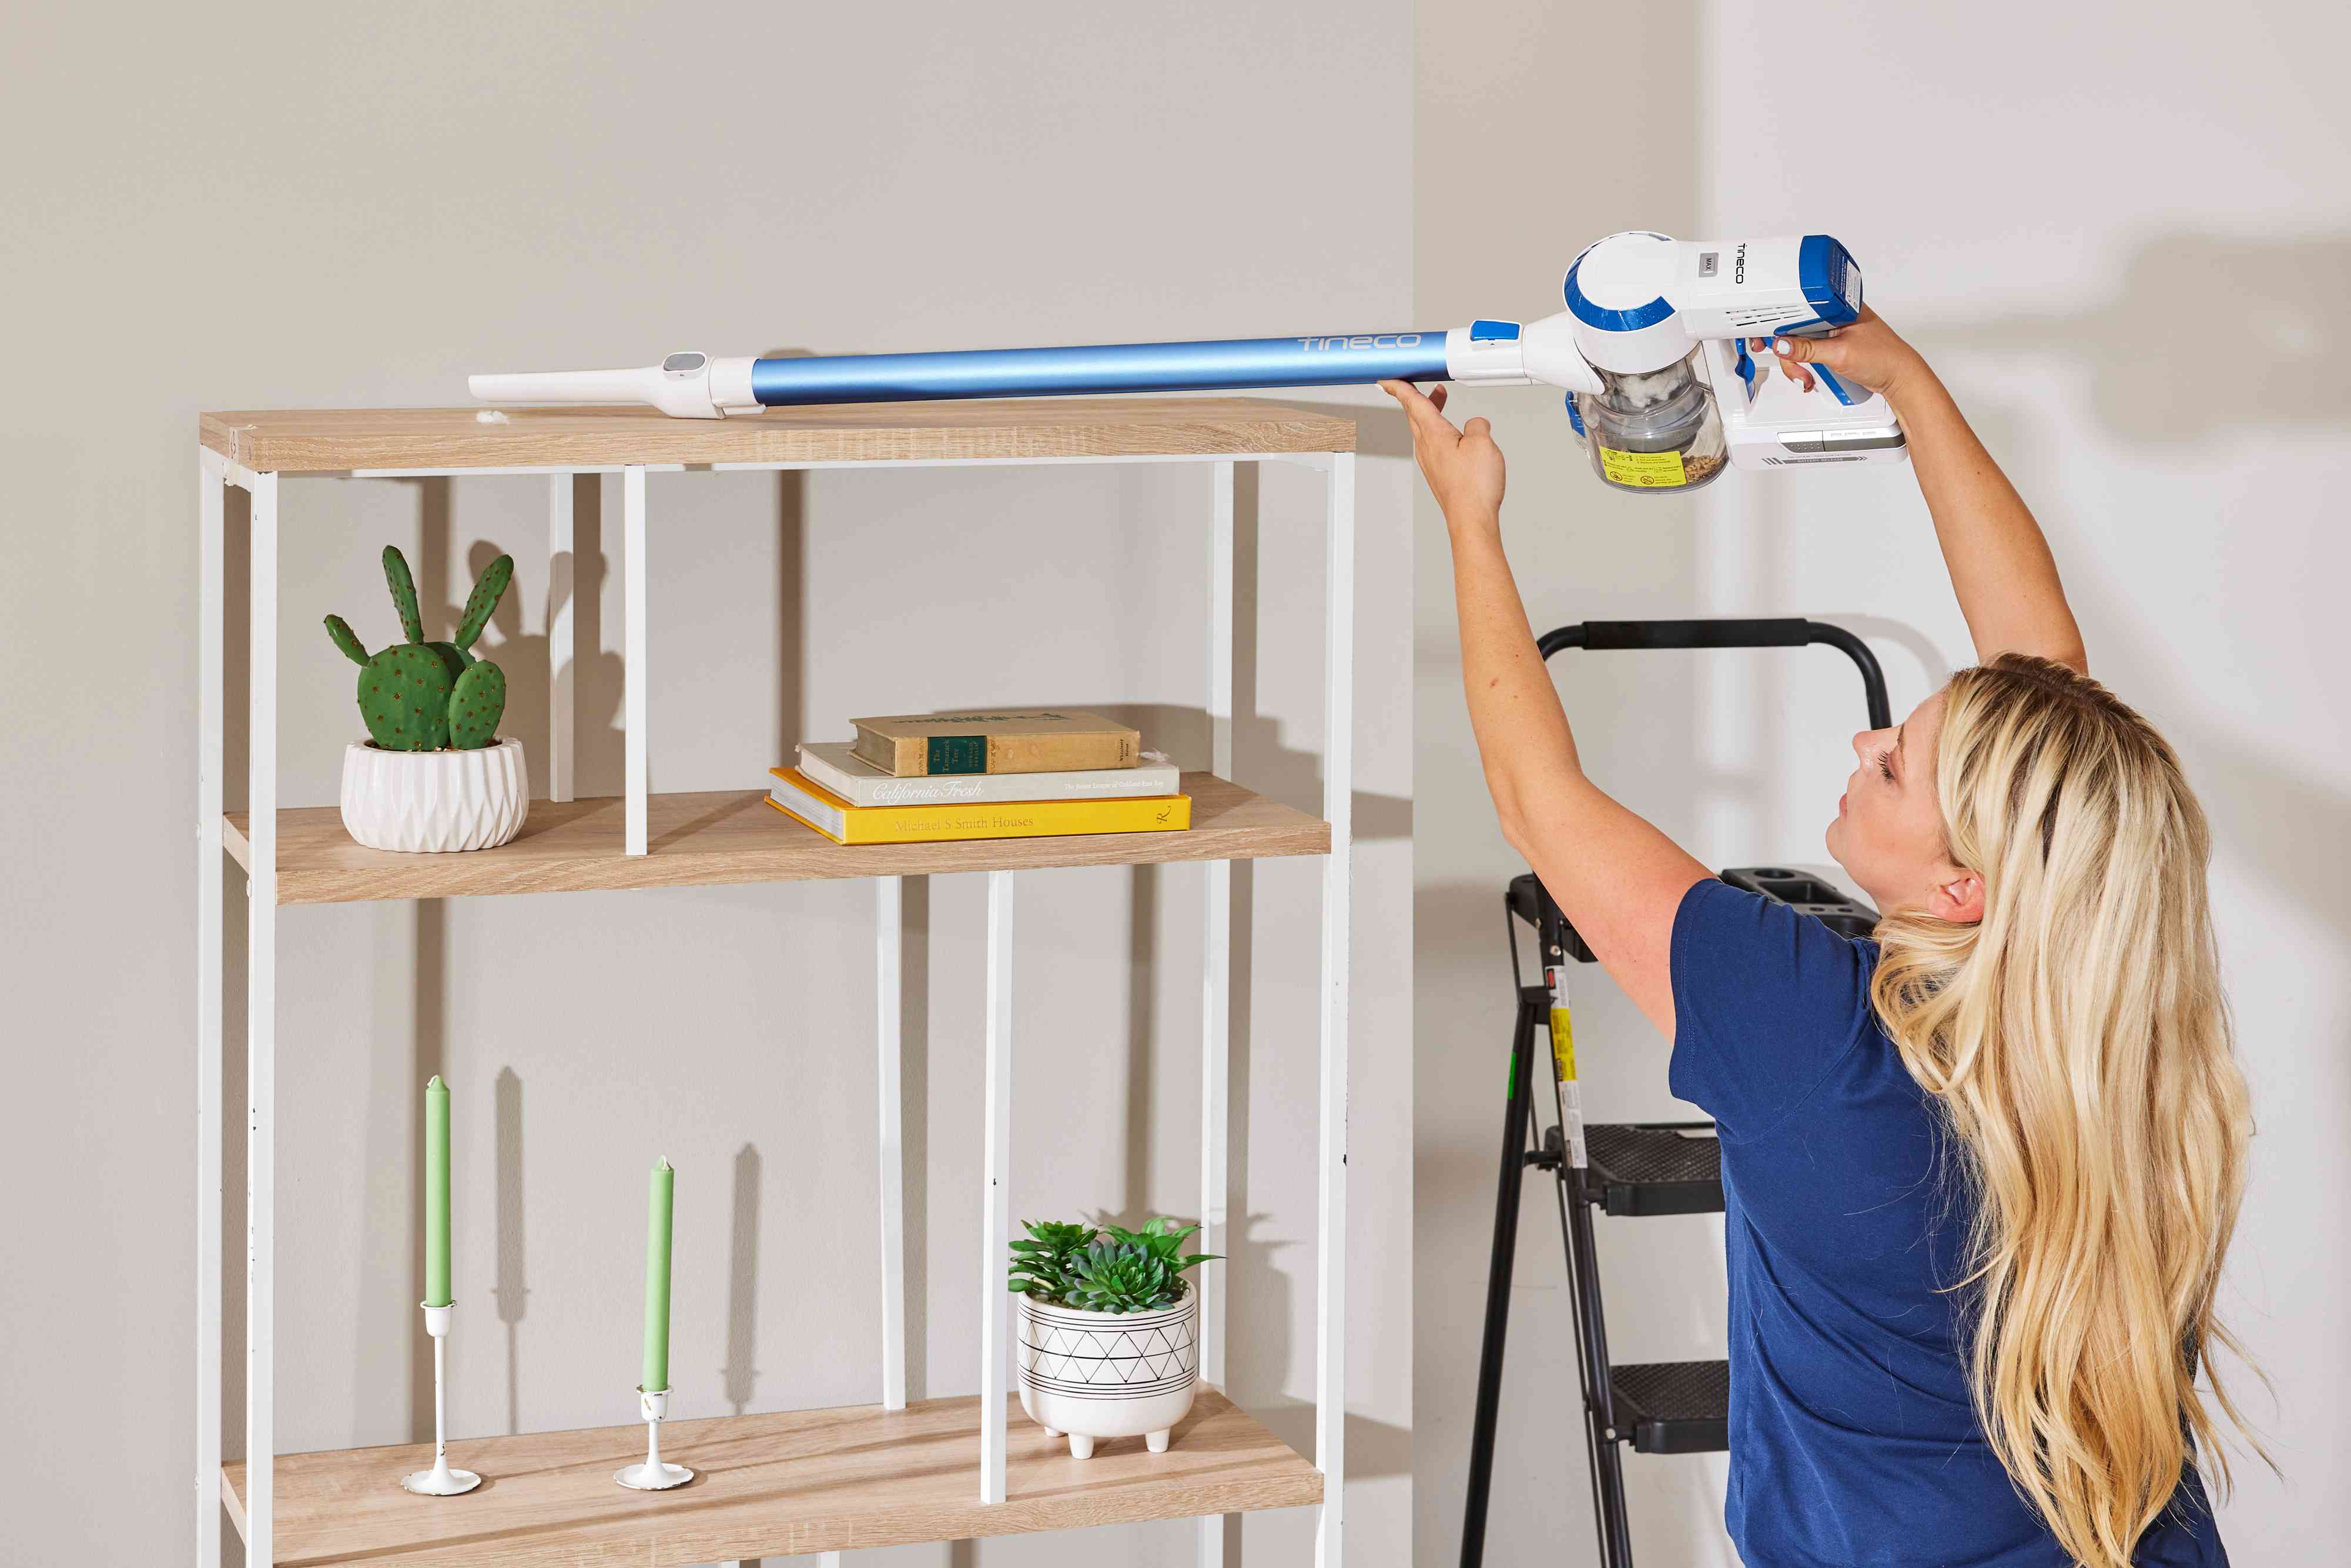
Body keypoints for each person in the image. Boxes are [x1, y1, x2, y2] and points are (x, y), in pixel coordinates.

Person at [1384, 310, 2260, 1568]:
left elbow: (1540, 799)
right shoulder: (2128, 1046)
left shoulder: (1809, 1024)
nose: (1863, 745)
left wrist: (1467, 515)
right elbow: (2043, 693)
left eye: (1893, 762)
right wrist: (1905, 384)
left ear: (1963, 886)